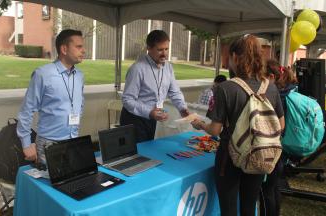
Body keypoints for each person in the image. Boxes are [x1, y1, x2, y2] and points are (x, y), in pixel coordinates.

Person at [191, 35, 285, 216]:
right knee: (249, 206)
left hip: (230, 157)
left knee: (228, 209)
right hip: (259, 154)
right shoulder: (270, 87)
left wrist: (201, 125)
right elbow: (281, 125)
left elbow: (215, 130)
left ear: (235, 57)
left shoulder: (225, 88)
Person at [17, 29, 85, 163]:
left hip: (73, 141)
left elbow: (79, 104)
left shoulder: (79, 76)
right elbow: (27, 110)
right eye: (79, 47)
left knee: (72, 183)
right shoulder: (43, 74)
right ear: (64, 49)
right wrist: (26, 143)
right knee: (49, 184)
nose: (84, 51)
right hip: (49, 144)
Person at [121, 30, 189, 143]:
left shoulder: (168, 67)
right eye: (160, 49)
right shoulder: (137, 69)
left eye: (166, 49)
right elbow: (127, 100)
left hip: (152, 118)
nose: (164, 53)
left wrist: (182, 108)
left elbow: (174, 92)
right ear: (149, 48)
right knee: (137, 156)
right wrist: (149, 112)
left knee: (148, 152)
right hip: (134, 120)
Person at [260, 64, 298, 216]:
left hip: (271, 149)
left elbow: (278, 125)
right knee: (274, 188)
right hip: (280, 149)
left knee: (267, 191)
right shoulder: (288, 92)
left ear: (271, 77)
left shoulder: (274, 94)